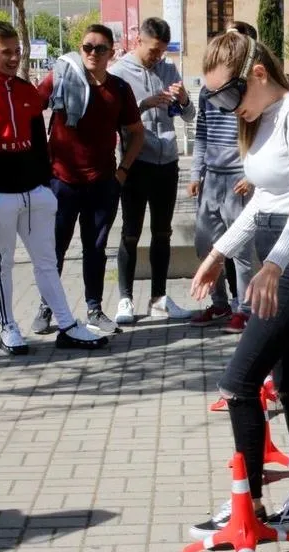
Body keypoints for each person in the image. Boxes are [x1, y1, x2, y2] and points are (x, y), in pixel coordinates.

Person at [188, 31, 289, 538]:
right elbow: (265, 201)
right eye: (215, 99)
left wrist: (272, 265)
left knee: (238, 382)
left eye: (227, 95)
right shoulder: (264, 119)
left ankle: (245, 504)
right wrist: (217, 252)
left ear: (256, 74)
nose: (226, 108)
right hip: (279, 254)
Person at [0, 22, 108, 354]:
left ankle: (68, 325)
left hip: (35, 194)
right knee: (2, 263)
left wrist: (45, 187)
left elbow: (40, 143)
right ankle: (7, 327)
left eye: (17, 51)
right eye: (6, 52)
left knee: (46, 260)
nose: (13, 58)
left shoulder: (28, 91)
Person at [33, 24, 145, 335]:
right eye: (87, 47)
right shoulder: (61, 77)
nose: (92, 53)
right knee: (54, 248)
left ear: (112, 52)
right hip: (60, 183)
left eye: (100, 48)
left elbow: (137, 133)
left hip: (103, 184)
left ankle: (94, 308)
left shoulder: (120, 90)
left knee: (95, 249)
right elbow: (29, 111)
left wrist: (122, 172)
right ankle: (47, 306)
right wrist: (39, 163)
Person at [109, 17, 195, 325]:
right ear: (138, 42)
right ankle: (125, 299)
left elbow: (188, 116)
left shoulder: (169, 70)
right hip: (136, 162)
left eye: (161, 52)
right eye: (153, 51)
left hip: (167, 162)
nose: (157, 57)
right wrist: (144, 104)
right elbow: (113, 119)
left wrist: (183, 100)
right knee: (131, 233)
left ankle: (159, 299)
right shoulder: (119, 73)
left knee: (163, 232)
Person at [188, 20, 259, 334]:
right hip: (212, 179)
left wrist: (250, 173)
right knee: (205, 244)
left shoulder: (249, 91)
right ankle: (219, 303)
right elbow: (201, 134)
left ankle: (244, 309)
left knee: (242, 250)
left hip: (238, 180)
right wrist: (196, 172)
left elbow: (259, 136)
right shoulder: (208, 91)